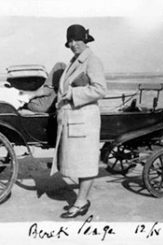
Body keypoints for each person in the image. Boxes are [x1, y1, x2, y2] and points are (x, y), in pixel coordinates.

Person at [50, 24, 107, 218]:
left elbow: (100, 89)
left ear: (85, 40)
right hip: (75, 118)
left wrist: (73, 93)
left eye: (77, 40)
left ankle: (81, 202)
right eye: (70, 41)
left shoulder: (92, 61)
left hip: (85, 119)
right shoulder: (75, 60)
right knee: (79, 161)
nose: (73, 44)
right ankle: (81, 199)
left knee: (87, 162)